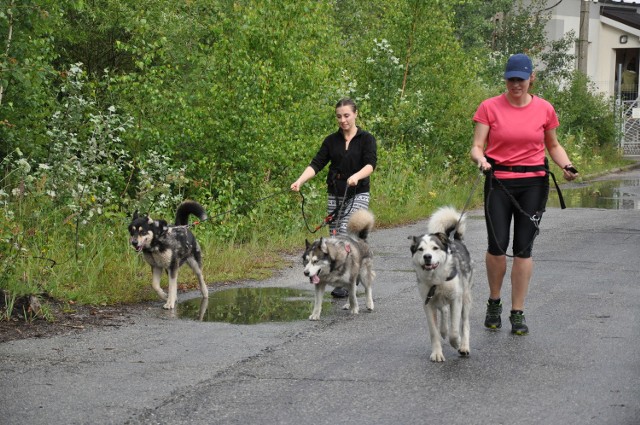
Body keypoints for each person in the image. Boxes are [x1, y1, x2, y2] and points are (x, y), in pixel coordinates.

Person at [470, 53, 578, 335]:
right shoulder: (489, 107)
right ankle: (494, 301)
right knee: (497, 245)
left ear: (531, 78)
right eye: (510, 79)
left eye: (520, 79)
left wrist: (566, 165)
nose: (515, 84)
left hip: (533, 183)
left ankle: (517, 311)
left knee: (523, 249)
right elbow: (477, 146)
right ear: (505, 79)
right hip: (499, 182)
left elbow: (553, 145)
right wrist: (481, 160)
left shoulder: (544, 109)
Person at [291, 98, 377, 298]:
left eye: (346, 115)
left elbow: (370, 164)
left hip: (358, 191)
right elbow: (317, 164)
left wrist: (356, 176)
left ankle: (350, 276)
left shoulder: (366, 139)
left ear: (355, 114)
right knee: (335, 235)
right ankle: (343, 276)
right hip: (335, 192)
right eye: (339, 116)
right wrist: (300, 181)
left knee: (348, 232)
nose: (343, 120)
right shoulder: (331, 141)